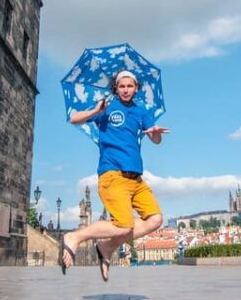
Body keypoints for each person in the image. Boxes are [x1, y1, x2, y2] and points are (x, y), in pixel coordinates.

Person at [61, 70, 169, 281]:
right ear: (116, 88)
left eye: (130, 86)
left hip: (136, 178)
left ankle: (107, 246)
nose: (126, 90)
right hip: (113, 174)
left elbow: (155, 141)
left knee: (155, 219)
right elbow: (74, 119)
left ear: (136, 88)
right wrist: (95, 110)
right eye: (122, 86)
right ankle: (75, 236)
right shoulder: (107, 107)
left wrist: (155, 134)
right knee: (123, 224)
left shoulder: (141, 111)